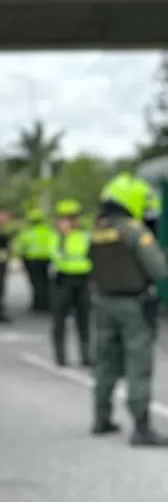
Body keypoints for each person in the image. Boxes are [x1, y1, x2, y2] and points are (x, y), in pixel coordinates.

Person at [88, 173, 168, 446]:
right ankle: (142, 428)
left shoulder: (98, 230)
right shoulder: (134, 230)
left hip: (104, 303)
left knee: (106, 362)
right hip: (133, 307)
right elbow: (159, 270)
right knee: (138, 364)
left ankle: (101, 419)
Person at [49, 199, 92, 366]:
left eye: (73, 217)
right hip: (63, 281)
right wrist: (63, 237)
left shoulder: (84, 235)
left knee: (84, 319)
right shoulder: (56, 237)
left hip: (82, 281)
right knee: (59, 320)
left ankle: (86, 355)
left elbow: (90, 257)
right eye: (65, 218)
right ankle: (60, 356)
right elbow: (58, 257)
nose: (70, 221)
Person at [16, 208, 54, 312]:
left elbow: (21, 247)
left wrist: (21, 257)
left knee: (36, 283)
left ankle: (38, 304)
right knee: (45, 282)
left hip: (32, 260)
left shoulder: (28, 232)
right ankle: (46, 304)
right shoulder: (48, 230)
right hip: (46, 260)